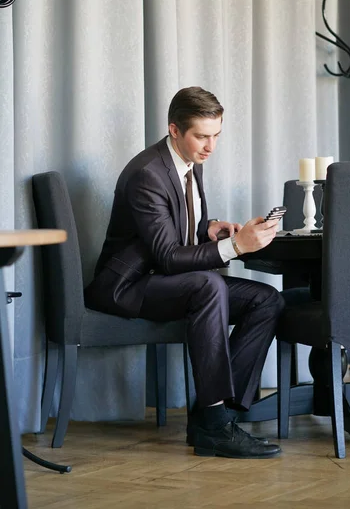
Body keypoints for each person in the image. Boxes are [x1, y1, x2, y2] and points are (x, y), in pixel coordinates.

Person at [84, 86, 285, 459]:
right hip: (127, 285)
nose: (210, 146)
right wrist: (237, 245)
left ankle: (214, 416)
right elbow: (168, 255)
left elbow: (170, 227)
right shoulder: (149, 174)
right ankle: (214, 423)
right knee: (209, 285)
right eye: (202, 136)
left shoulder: (189, 162)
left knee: (267, 299)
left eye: (216, 136)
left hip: (160, 276)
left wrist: (206, 228)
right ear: (174, 130)